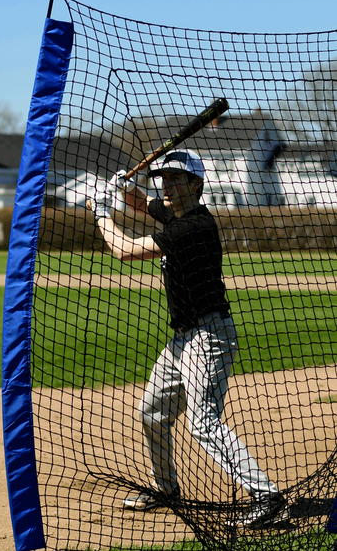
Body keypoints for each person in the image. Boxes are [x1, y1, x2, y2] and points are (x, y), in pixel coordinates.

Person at [90, 149, 288, 529]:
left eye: (176, 179)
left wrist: (101, 211)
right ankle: (166, 489)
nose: (166, 185)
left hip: (209, 337)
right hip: (184, 339)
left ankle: (266, 496)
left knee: (202, 421)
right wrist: (124, 187)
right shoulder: (176, 214)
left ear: (196, 184)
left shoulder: (192, 227)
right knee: (151, 412)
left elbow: (125, 250)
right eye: (163, 178)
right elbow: (142, 203)